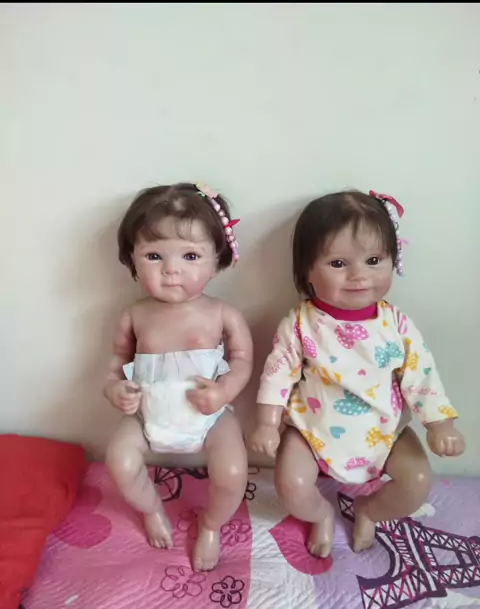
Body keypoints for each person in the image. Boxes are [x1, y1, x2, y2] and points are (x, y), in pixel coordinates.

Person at [249, 190, 465, 558]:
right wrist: (267, 423)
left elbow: (422, 374)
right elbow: (278, 372)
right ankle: (320, 515)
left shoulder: (396, 325)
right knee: (291, 486)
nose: (359, 275)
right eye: (338, 263)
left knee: (416, 482)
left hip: (384, 429)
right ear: (307, 271)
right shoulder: (301, 323)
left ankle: (370, 510)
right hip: (311, 430)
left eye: (374, 260)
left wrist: (440, 425)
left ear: (393, 259)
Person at [104, 182, 253, 572]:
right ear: (132, 259)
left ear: (217, 260)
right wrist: (115, 389)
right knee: (118, 460)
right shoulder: (134, 315)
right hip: (147, 416)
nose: (171, 270)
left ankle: (211, 524)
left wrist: (223, 392)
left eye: (190, 256)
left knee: (233, 471)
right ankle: (151, 508)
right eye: (154, 256)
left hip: (210, 419)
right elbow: (116, 364)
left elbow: (242, 361)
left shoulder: (222, 313)